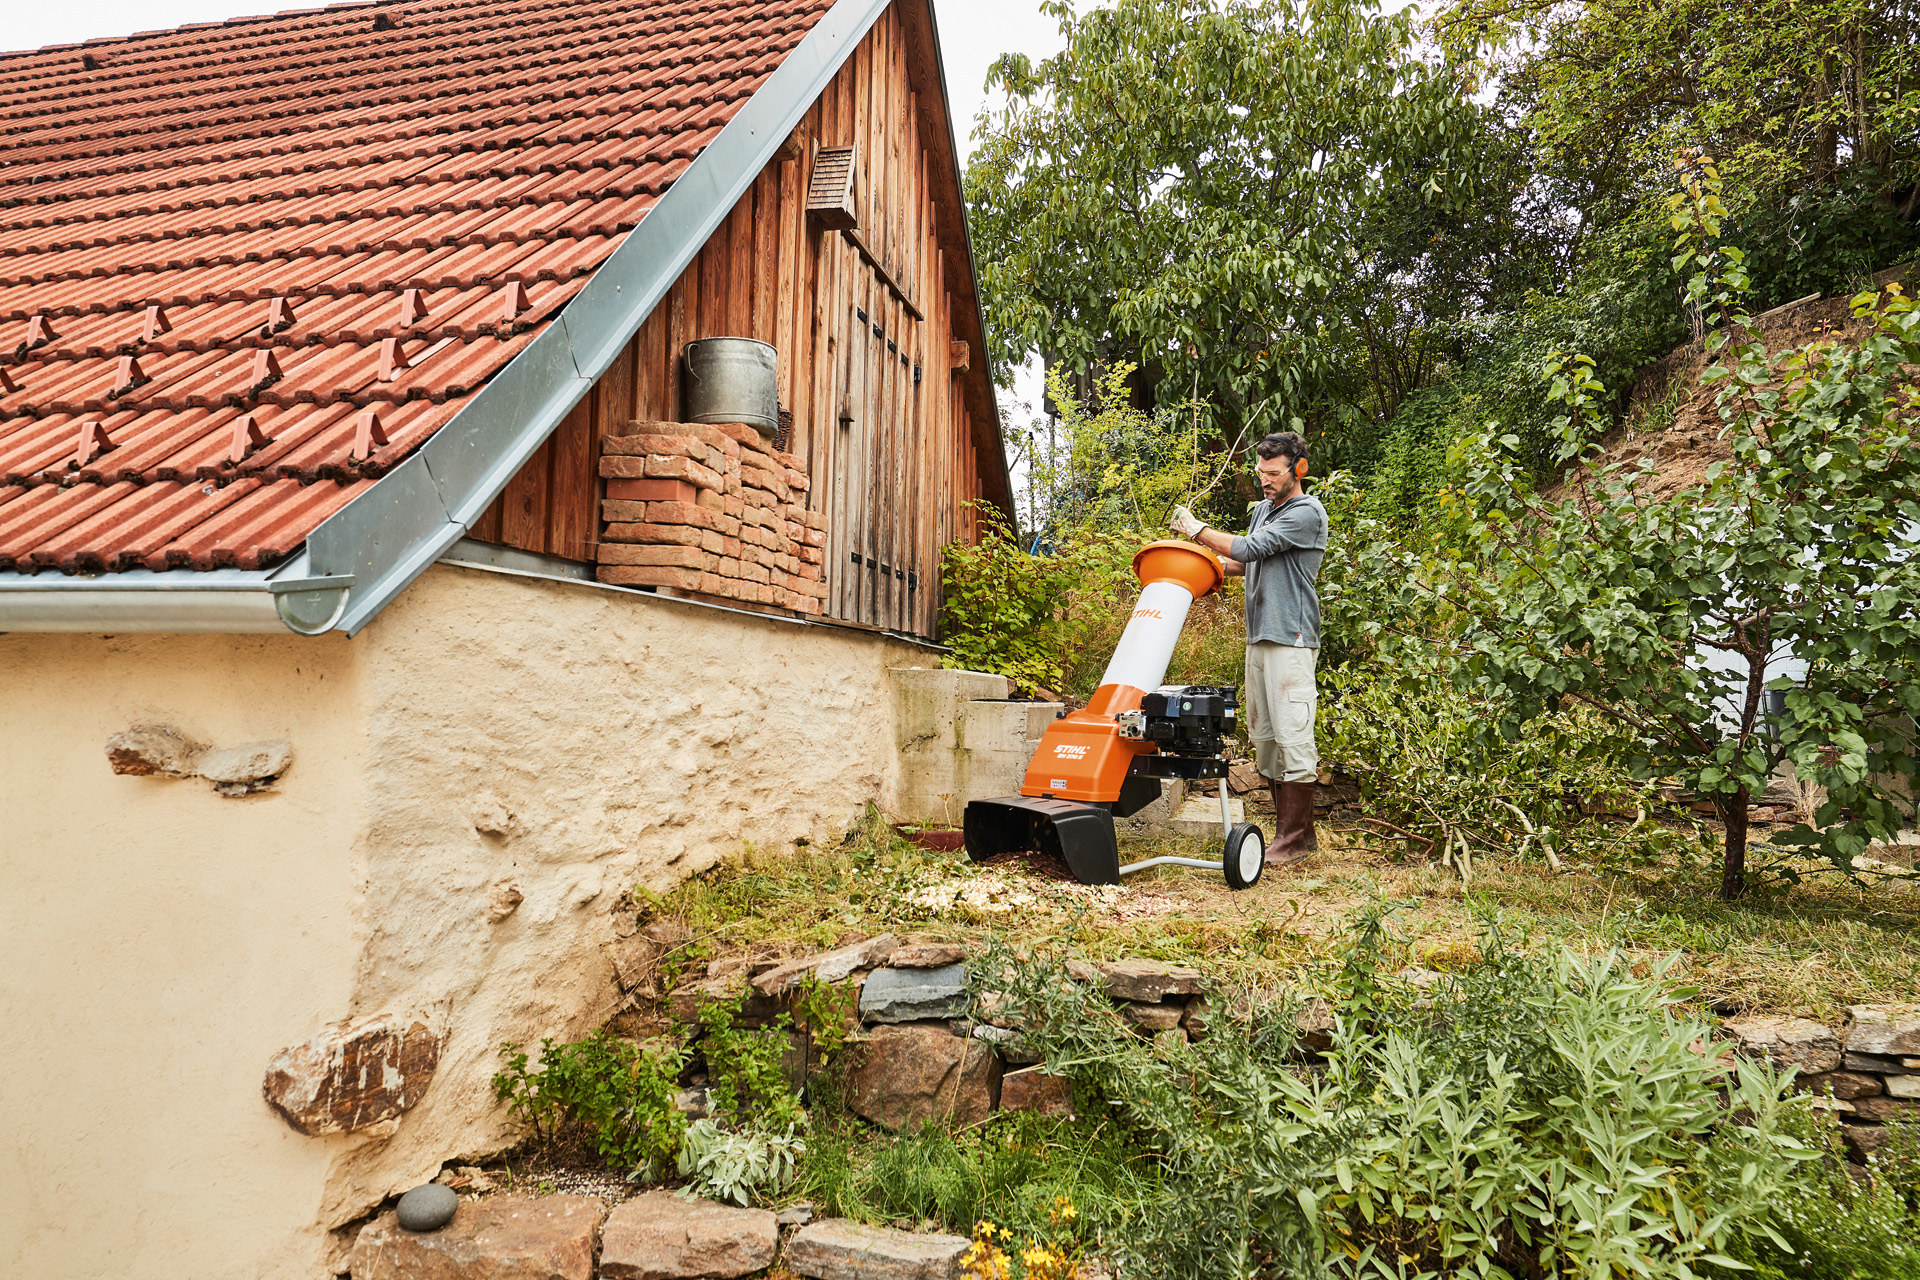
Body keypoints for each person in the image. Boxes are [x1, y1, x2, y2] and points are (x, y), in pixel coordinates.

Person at [1170, 432, 1328, 865]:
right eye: (1261, 472)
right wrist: (1198, 561)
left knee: (1293, 735)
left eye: (1274, 473)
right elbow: (1243, 561)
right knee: (1265, 739)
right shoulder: (1262, 510)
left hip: (1291, 638)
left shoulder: (1306, 512)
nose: (1266, 480)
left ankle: (1294, 839)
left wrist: (1197, 529)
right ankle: (1292, 835)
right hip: (1259, 635)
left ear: (1298, 470)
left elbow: (1249, 546)